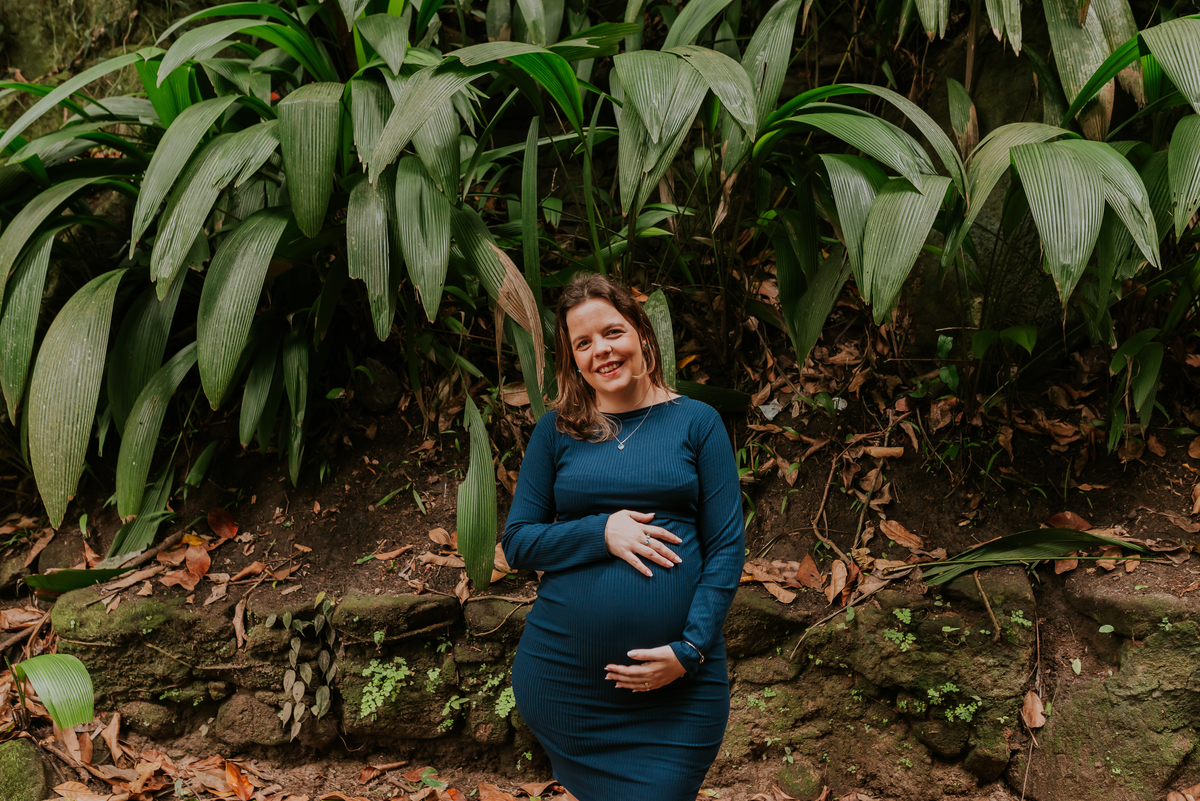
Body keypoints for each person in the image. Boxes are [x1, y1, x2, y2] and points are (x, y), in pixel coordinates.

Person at [502, 273, 744, 800]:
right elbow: (518, 542)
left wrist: (690, 649)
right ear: (572, 358)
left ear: (641, 331)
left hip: (679, 690)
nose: (601, 352)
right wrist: (600, 531)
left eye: (612, 332)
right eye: (583, 344)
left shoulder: (697, 423)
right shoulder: (555, 431)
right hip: (568, 685)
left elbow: (726, 548)